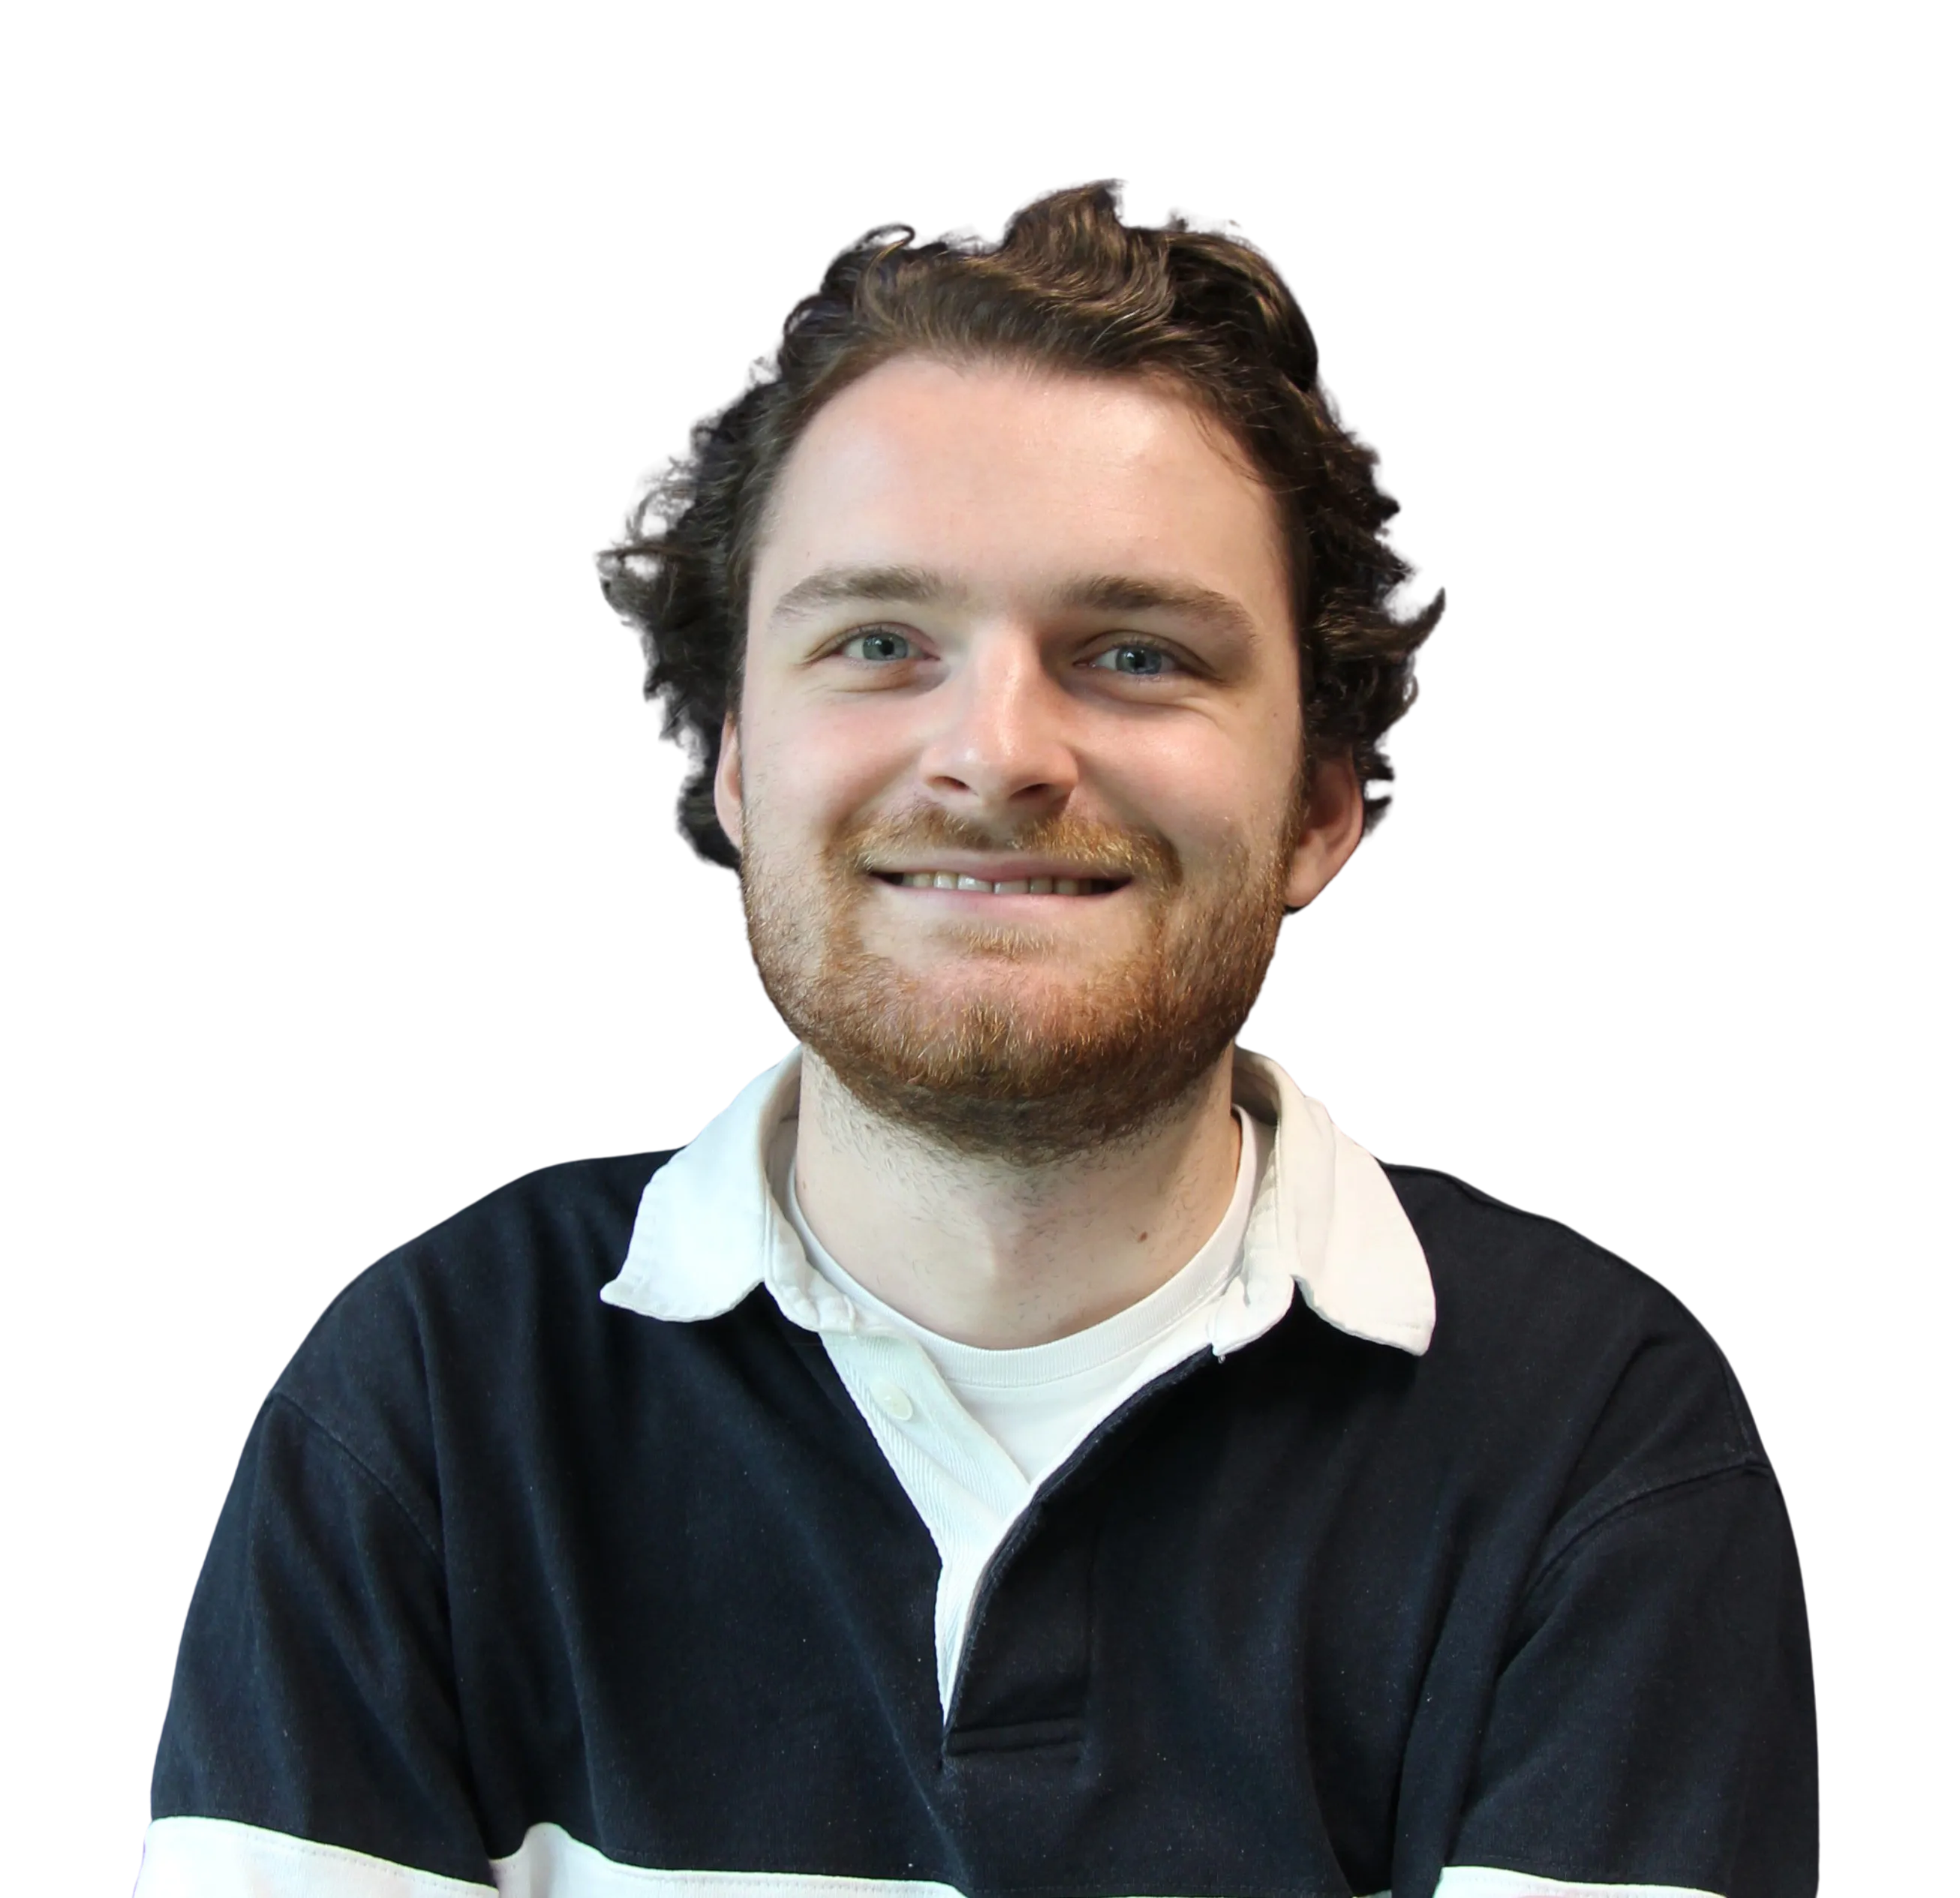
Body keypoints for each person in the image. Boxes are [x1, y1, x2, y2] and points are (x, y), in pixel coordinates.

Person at [134, 176, 1822, 1897]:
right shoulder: (434, 1389)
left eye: (1135, 651)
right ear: (737, 766)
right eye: (878, 641)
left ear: (1325, 803)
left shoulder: (1598, 1426)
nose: (995, 752)